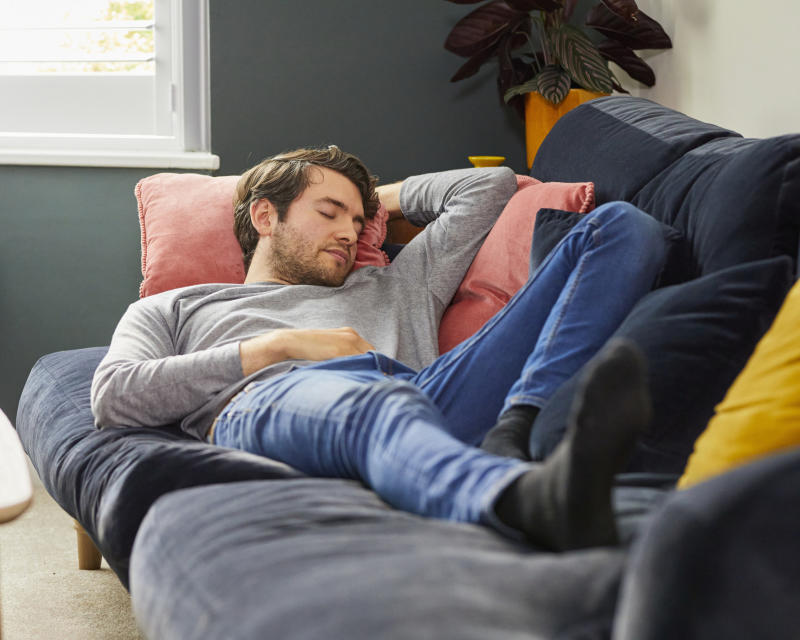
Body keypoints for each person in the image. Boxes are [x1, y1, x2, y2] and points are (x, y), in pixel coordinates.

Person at [92, 146, 668, 551]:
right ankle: (525, 498)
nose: (349, 231)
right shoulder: (178, 305)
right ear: (265, 216)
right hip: (274, 399)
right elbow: (113, 396)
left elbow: (489, 185)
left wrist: (375, 199)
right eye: (328, 213)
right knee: (373, 404)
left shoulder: (400, 280)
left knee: (620, 228)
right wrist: (277, 347)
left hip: (427, 392)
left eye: (358, 219)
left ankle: (515, 428)